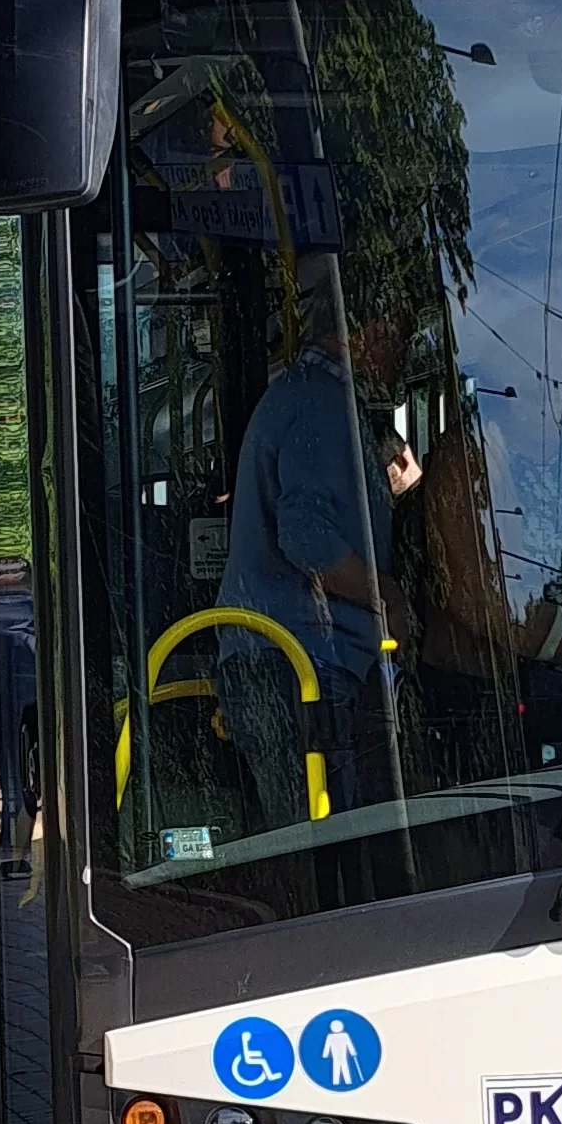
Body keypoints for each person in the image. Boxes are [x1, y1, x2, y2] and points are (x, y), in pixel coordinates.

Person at [218, 258, 395, 832]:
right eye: (400, 328)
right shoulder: (322, 406)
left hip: (284, 663)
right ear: (363, 330)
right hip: (297, 667)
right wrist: (389, 596)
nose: (405, 349)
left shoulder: (303, 400)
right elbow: (307, 538)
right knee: (318, 848)